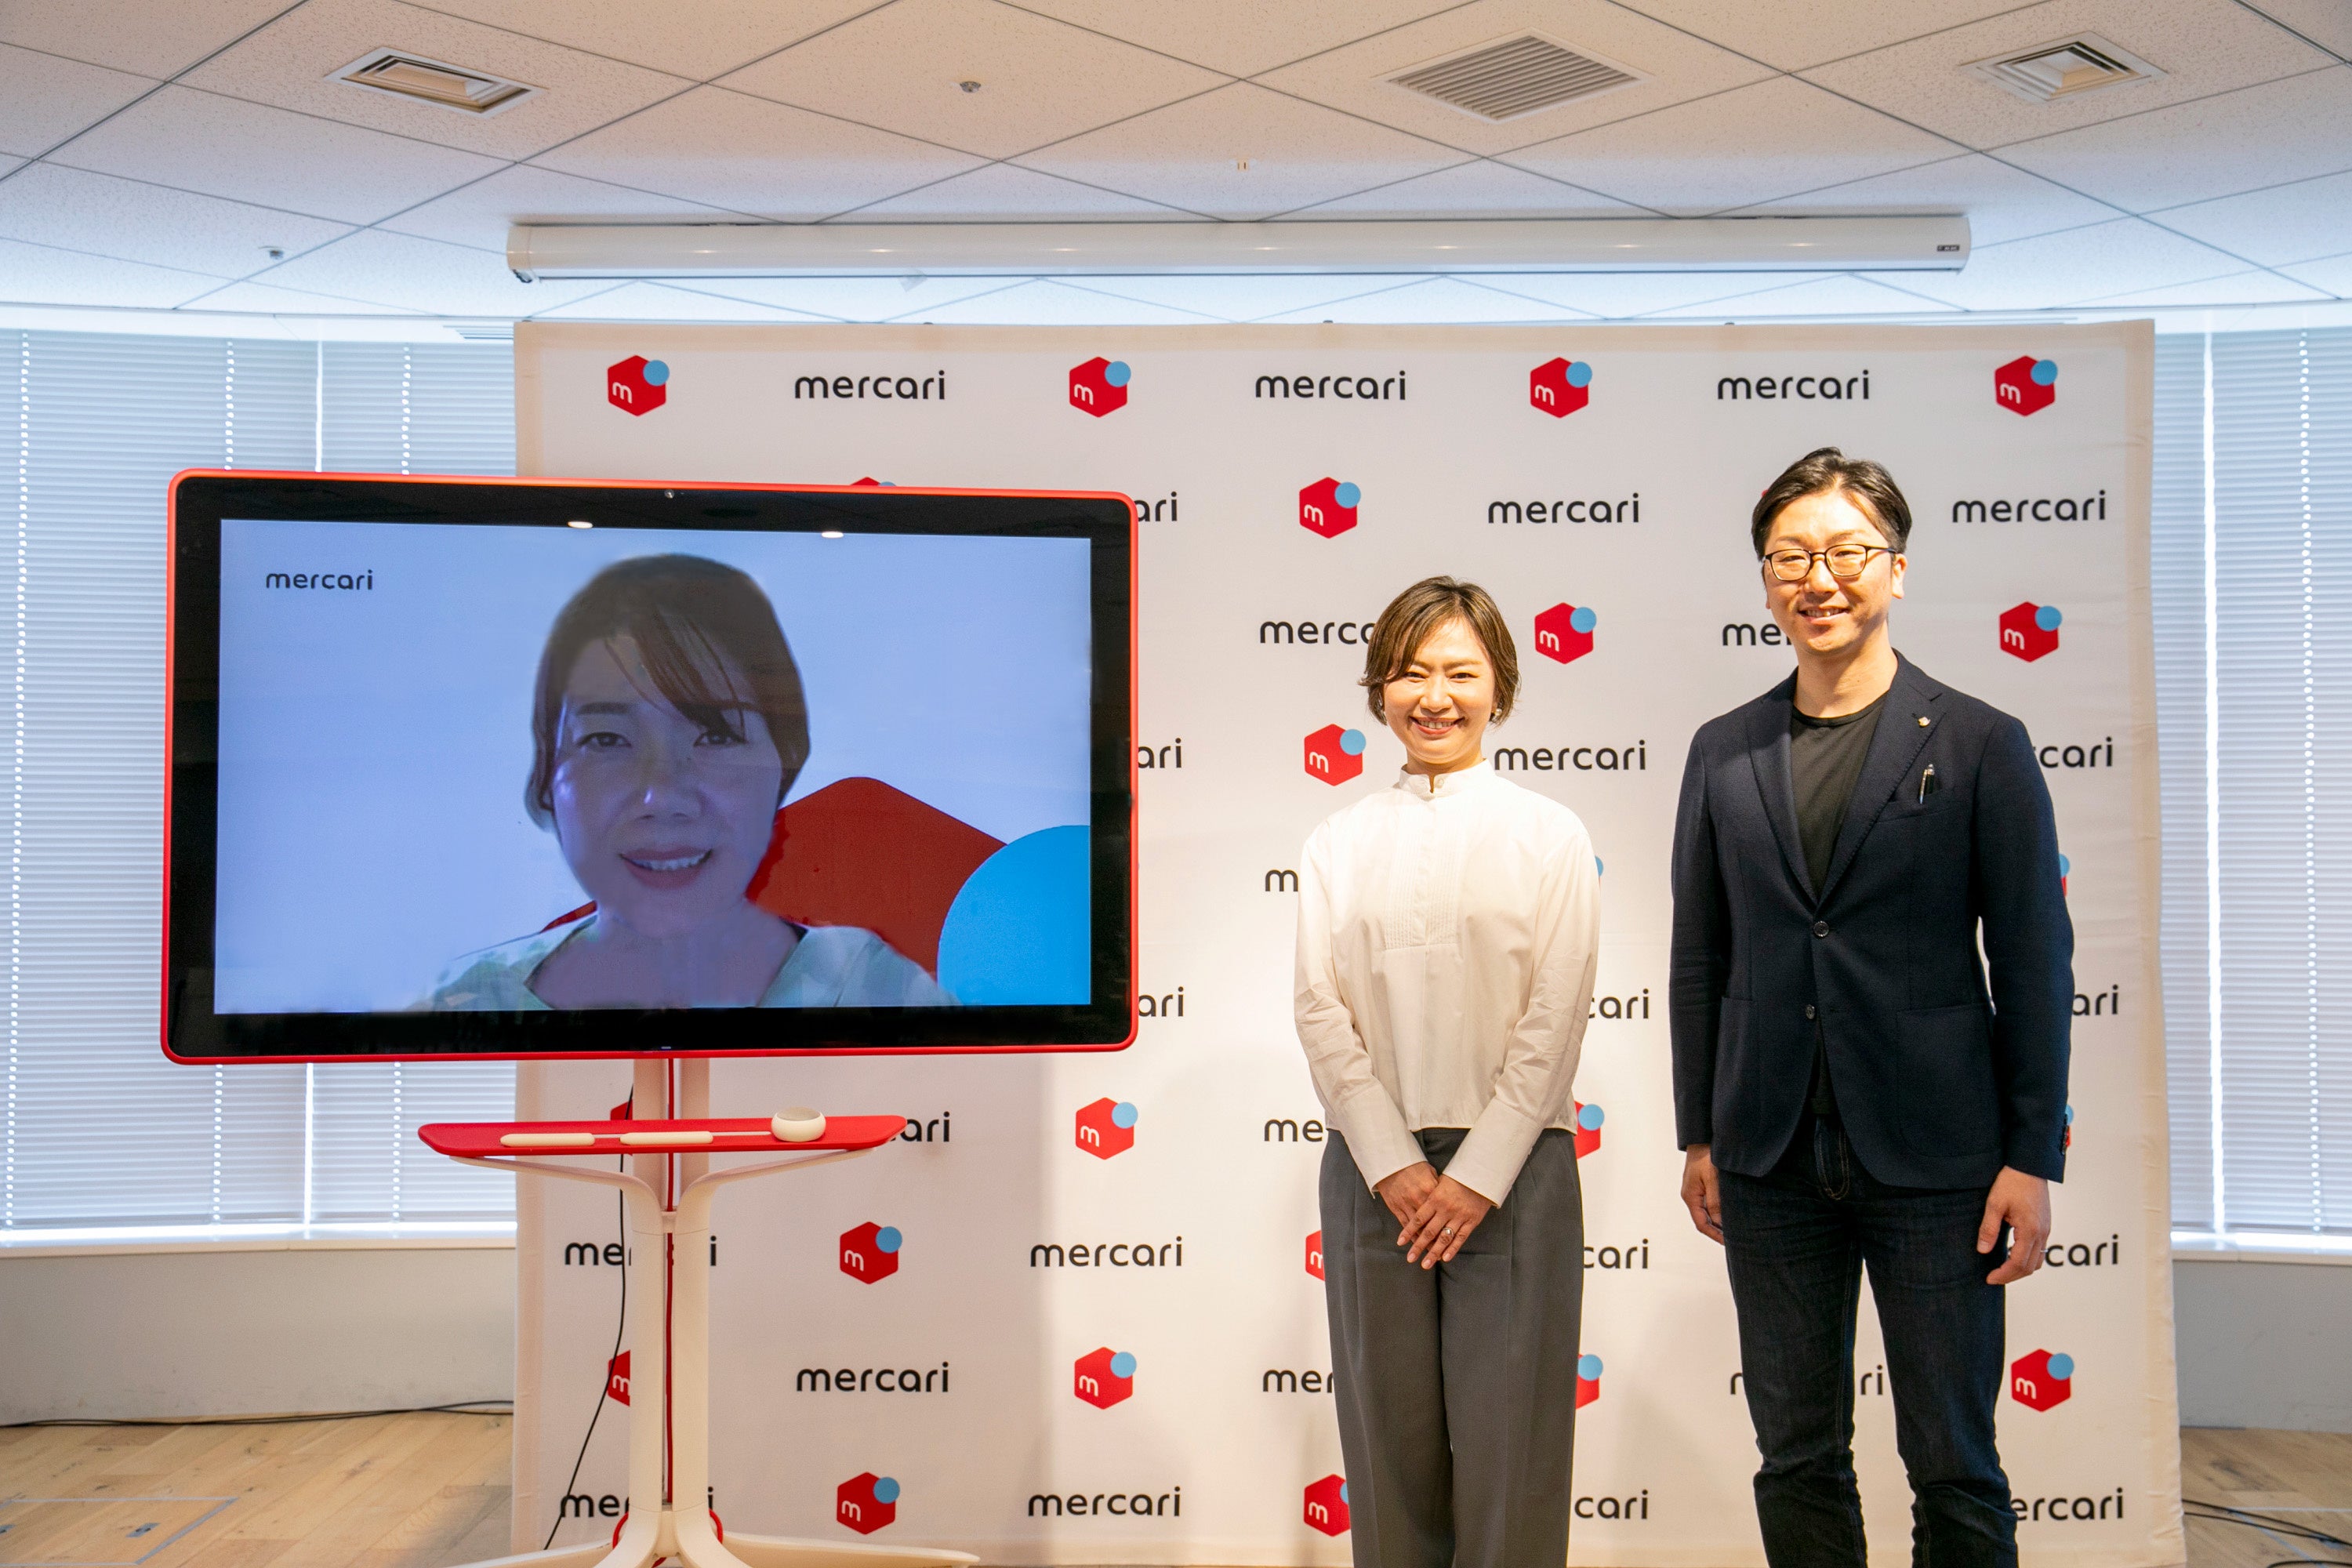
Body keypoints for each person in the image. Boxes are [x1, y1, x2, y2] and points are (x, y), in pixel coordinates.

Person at [1670, 448, 2072, 1567]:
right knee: (1796, 1454)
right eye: (1790, 557)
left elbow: (2033, 961)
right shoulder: (1724, 750)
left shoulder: (1982, 741)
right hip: (1769, 1155)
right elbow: (1701, 957)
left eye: (1847, 551)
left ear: (1896, 568)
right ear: (1765, 580)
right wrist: (1699, 1133)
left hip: (1941, 1161)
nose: (1820, 578)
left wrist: (2030, 1154)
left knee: (1954, 1461)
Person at [1295, 576, 1602, 1568]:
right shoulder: (1337, 840)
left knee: (1515, 1455)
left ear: (1498, 686)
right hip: (1372, 1174)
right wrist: (1391, 1159)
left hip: (1516, 1171)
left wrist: (1477, 1174)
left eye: (1460, 673)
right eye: (1410, 672)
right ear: (1380, 688)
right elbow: (1318, 1008)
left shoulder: (1550, 833)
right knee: (1387, 1455)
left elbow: (1556, 1013)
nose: (1435, 697)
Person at [426, 554, 946, 1010]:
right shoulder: (467, 1003)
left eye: (716, 736)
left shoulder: (876, 990)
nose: (662, 796)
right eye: (607, 739)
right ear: (547, 776)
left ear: (785, 763)